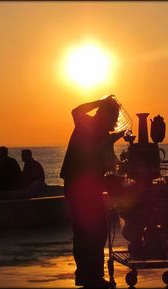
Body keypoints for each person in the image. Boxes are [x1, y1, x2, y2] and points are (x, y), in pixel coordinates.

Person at [60, 95, 125, 288]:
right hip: (78, 187)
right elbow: (75, 111)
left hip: (89, 187)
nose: (114, 121)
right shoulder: (86, 124)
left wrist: (114, 139)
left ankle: (89, 276)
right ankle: (91, 278)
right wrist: (101, 100)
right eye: (113, 116)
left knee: (92, 232)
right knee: (88, 232)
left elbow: (102, 158)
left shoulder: (102, 133)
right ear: (104, 114)